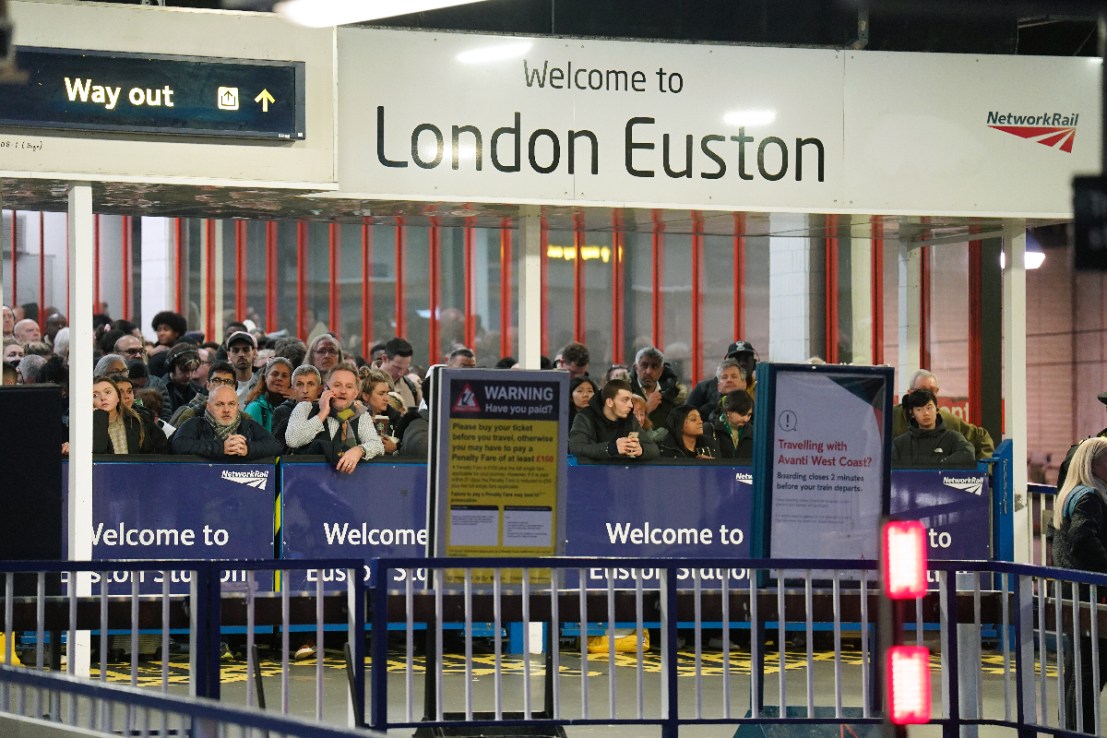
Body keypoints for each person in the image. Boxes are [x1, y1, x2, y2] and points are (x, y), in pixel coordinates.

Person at [1051, 437, 1107, 733]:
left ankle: (1071, 730)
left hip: (1072, 592)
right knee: (1092, 669)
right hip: (1091, 595)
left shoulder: (1071, 493)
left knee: (1079, 669)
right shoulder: (1091, 497)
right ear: (1093, 465)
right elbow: (1083, 539)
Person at [284, 366, 385, 473]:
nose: (343, 391)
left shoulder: (361, 414)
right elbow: (293, 441)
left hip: (347, 482)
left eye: (349, 387)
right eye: (337, 385)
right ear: (326, 389)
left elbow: (378, 445)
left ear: (355, 393)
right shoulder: (305, 407)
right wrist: (322, 413)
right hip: (309, 479)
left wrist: (359, 450)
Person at [891, 370, 995, 460]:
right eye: (922, 390)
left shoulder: (948, 420)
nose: (927, 395)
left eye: (932, 391)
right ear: (910, 393)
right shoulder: (891, 418)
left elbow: (981, 438)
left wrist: (982, 474)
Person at [170, 384, 282, 460]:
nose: (226, 410)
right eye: (220, 404)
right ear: (208, 407)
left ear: (238, 407)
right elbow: (178, 445)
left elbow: (275, 446)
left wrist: (247, 448)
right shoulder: (195, 423)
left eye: (231, 404)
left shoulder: (249, 426)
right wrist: (222, 448)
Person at [569, 378, 658, 461]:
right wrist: (611, 448)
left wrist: (641, 449)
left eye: (630, 400)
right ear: (610, 402)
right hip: (590, 473)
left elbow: (653, 448)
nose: (631, 405)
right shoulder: (585, 416)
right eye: (625, 400)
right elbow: (576, 447)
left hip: (622, 473)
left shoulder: (629, 418)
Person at [891, 389, 975, 467]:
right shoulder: (900, 444)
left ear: (937, 409)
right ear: (912, 413)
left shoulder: (953, 438)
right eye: (919, 409)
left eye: (929, 407)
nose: (926, 413)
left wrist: (940, 466)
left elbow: (968, 454)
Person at [91, 375, 164, 455]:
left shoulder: (136, 420)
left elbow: (156, 450)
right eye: (95, 395)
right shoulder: (87, 426)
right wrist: (99, 417)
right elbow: (98, 454)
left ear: (117, 396)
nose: (103, 398)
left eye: (108, 392)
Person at [687, 341, 758, 412]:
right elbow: (685, 417)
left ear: (754, 364)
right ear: (726, 364)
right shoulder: (704, 389)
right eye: (736, 360)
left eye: (746, 360)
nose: (741, 363)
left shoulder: (762, 389)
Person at [629, 346, 686, 430]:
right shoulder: (624, 392)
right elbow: (619, 428)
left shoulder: (673, 394)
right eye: (644, 366)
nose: (648, 372)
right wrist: (646, 409)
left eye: (654, 367)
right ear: (636, 368)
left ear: (661, 370)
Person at [168, 361, 237, 427]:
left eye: (228, 381)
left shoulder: (242, 417)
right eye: (216, 380)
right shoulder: (188, 413)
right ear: (208, 385)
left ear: (234, 387)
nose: (222, 385)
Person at [273, 365, 322, 450]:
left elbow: (344, 417)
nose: (305, 390)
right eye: (300, 384)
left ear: (319, 389)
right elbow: (278, 448)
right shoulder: (282, 412)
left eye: (311, 384)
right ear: (292, 389)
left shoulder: (326, 409)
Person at [243, 357, 294, 432]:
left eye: (284, 376)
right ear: (265, 378)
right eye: (275, 374)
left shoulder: (295, 406)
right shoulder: (255, 408)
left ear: (290, 382)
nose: (279, 378)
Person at [361, 368, 401, 454]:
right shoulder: (353, 413)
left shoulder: (397, 419)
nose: (386, 398)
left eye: (387, 393)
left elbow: (408, 450)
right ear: (366, 396)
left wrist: (395, 448)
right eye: (381, 394)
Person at [713, 389, 754, 462]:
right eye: (742, 414)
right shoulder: (711, 429)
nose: (746, 419)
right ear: (728, 411)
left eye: (749, 415)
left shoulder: (754, 432)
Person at [163, 344, 204, 414]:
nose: (189, 375)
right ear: (172, 367)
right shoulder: (160, 389)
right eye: (184, 370)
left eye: (192, 370)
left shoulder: (198, 390)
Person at [383, 337, 421, 410]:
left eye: (405, 368)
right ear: (384, 358)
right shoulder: (364, 385)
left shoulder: (412, 389)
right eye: (397, 368)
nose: (400, 373)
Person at [147, 310, 188, 377]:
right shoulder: (152, 350)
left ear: (176, 333)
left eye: (166, 329)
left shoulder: (183, 350)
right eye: (159, 330)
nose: (161, 333)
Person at [225, 331, 260, 401]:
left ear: (254, 352)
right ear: (228, 355)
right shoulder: (219, 382)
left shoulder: (263, 382)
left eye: (246, 350)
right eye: (236, 350)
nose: (241, 354)